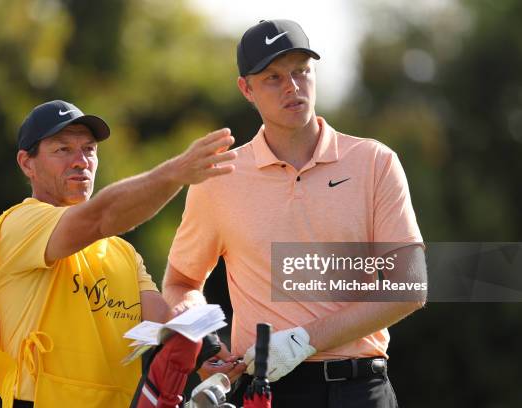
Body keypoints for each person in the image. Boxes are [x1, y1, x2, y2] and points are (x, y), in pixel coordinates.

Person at [163, 19, 427, 407]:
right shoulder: (218, 178)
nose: (292, 86)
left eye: (301, 71)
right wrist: (204, 337)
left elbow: (409, 287)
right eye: (273, 77)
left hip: (360, 388)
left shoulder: (374, 161)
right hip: (266, 390)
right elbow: (181, 281)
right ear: (246, 89)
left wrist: (304, 341)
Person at [0, 99, 237, 408]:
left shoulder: (121, 252)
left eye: (89, 149)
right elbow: (101, 217)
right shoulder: (18, 224)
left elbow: (164, 321)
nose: (80, 161)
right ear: (26, 163)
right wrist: (174, 173)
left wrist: (208, 349)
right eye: (63, 149)